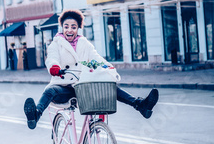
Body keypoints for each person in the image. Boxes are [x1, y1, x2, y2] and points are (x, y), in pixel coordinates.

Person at [24, 9, 159, 130]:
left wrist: (107, 67)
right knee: (50, 90)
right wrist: (55, 67)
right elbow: (52, 58)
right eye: (66, 27)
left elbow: (96, 59)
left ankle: (140, 105)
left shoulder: (85, 44)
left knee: (109, 86)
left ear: (78, 29)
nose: (69, 30)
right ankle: (35, 115)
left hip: (83, 86)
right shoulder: (56, 44)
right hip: (64, 87)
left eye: (73, 27)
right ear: (62, 28)